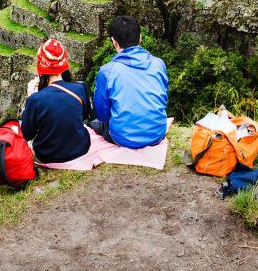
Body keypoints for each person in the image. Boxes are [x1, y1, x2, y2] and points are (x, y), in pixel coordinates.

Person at [92, 15, 168, 148]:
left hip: (123, 138)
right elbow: (163, 98)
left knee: (92, 121)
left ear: (114, 42)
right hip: (157, 134)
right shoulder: (159, 64)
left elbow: (102, 115)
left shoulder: (107, 71)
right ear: (140, 38)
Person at [21, 38, 93, 163]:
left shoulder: (35, 99)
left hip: (47, 155)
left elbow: (26, 134)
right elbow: (86, 116)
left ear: (40, 68)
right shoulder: (81, 88)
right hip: (80, 149)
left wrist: (30, 97)